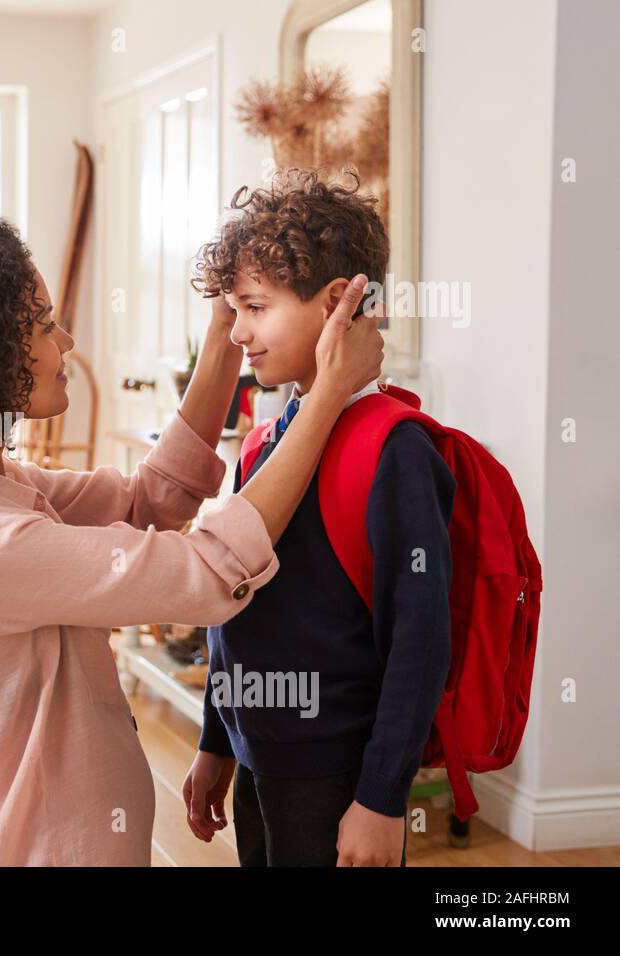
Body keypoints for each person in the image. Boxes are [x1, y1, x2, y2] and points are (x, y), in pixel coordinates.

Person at [0, 211, 383, 865]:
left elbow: (148, 503)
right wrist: (328, 394)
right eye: (42, 324)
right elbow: (209, 572)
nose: (68, 339)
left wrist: (225, 342)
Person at [183, 170, 454, 867]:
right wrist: (218, 739)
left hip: (339, 776)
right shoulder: (264, 446)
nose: (238, 331)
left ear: (339, 304)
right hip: (258, 755)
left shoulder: (395, 450)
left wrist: (383, 796)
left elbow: (419, 639)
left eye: (255, 307)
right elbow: (231, 605)